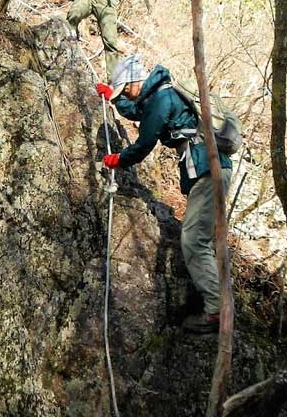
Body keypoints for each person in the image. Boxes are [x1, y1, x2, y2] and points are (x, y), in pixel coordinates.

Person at [96, 55, 232, 334]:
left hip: (207, 167)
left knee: (194, 239)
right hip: (213, 166)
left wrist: (119, 159)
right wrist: (115, 99)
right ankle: (219, 303)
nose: (127, 95)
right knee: (206, 238)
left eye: (125, 90)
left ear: (135, 80)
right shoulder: (161, 93)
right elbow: (140, 112)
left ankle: (217, 310)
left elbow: (145, 142)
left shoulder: (161, 97)